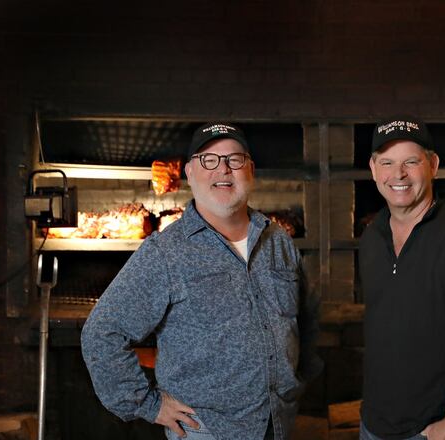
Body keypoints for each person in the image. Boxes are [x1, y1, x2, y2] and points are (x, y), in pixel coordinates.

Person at [81, 122, 322, 440]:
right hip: (206, 430)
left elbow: (307, 319)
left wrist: (295, 381)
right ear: (190, 172)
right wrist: (149, 404)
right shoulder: (166, 251)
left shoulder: (277, 240)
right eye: (209, 160)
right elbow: (102, 333)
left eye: (234, 159)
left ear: (250, 170)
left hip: (277, 423)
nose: (223, 169)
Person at [358, 117, 445, 440]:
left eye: (411, 162)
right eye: (387, 163)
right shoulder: (371, 238)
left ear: (433, 165)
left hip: (431, 430)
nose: (399, 175)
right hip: (373, 426)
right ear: (373, 168)